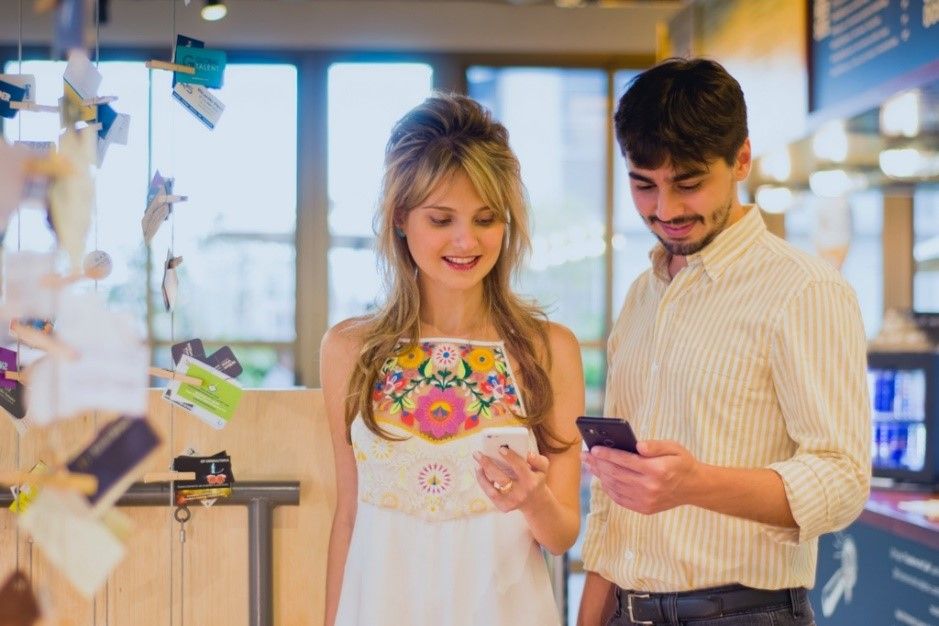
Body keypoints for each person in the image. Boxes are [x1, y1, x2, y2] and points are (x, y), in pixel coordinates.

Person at [577, 58, 871, 626]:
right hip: (623, 609)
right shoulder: (643, 294)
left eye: (688, 183)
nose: (665, 210)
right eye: (643, 185)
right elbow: (616, 507)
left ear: (741, 159)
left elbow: (842, 479)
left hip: (743, 613)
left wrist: (697, 485)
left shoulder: (805, 289)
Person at [321, 93, 585, 626]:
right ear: (400, 218)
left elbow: (561, 536)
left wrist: (533, 500)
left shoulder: (547, 348)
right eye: (442, 219)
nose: (466, 241)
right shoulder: (350, 350)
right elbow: (348, 515)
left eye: (486, 219)